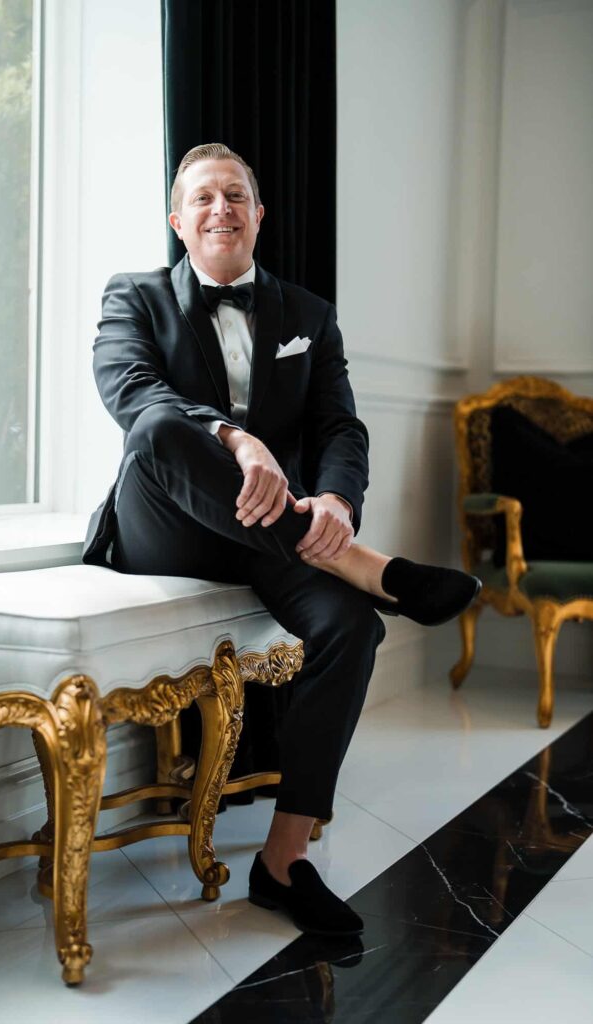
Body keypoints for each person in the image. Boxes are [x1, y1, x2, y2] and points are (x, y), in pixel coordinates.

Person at [83, 142, 480, 936]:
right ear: (177, 221)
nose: (220, 209)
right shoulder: (134, 295)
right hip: (165, 528)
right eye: (202, 198)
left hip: (272, 535)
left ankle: (283, 861)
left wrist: (334, 495)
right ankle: (365, 565)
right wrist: (237, 440)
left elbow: (340, 426)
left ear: (259, 216)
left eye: (235, 196)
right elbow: (129, 391)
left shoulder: (308, 316)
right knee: (159, 427)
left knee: (353, 628)